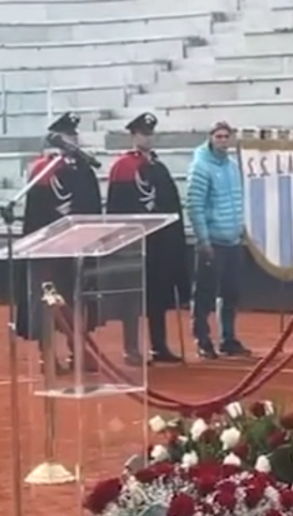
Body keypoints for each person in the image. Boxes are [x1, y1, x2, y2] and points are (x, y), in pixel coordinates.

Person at [13, 111, 103, 371]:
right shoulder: (44, 168)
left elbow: (93, 205)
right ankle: (47, 355)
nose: (73, 138)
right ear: (57, 138)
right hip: (49, 248)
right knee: (48, 302)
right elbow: (37, 212)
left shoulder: (83, 167)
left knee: (77, 300)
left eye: (75, 134)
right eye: (68, 134)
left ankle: (78, 351)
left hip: (78, 246)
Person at [106, 112, 190, 365]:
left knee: (159, 295)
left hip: (160, 242)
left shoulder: (157, 166)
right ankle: (131, 348)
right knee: (132, 299)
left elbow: (171, 205)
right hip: (135, 242)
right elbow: (116, 206)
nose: (148, 138)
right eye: (143, 133)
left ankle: (159, 345)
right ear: (133, 136)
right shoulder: (123, 166)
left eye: (150, 133)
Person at [187, 120, 251, 359]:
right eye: (219, 137)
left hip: (233, 240)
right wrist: (203, 239)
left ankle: (228, 338)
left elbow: (239, 199)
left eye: (226, 136)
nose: (223, 140)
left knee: (231, 293)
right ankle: (202, 339)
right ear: (211, 138)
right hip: (212, 240)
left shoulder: (233, 167)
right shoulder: (200, 167)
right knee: (205, 294)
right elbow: (194, 205)